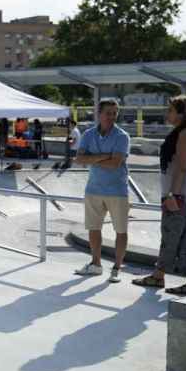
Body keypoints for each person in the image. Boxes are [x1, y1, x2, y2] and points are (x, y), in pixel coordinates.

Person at [133, 96, 186, 295]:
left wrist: (173, 195)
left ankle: (171, 278)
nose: (167, 113)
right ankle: (177, 279)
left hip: (181, 195)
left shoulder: (185, 133)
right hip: (185, 194)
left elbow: (182, 166)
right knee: (183, 236)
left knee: (174, 235)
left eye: (170, 110)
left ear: (181, 113)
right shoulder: (184, 131)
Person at [74, 98, 131, 282]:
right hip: (94, 189)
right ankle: (96, 264)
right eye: (108, 113)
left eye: (115, 113)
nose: (112, 117)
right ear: (99, 114)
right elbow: (79, 159)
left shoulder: (122, 136)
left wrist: (93, 158)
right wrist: (104, 156)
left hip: (117, 191)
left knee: (121, 230)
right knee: (93, 228)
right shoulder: (88, 134)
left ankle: (116, 269)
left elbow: (115, 164)